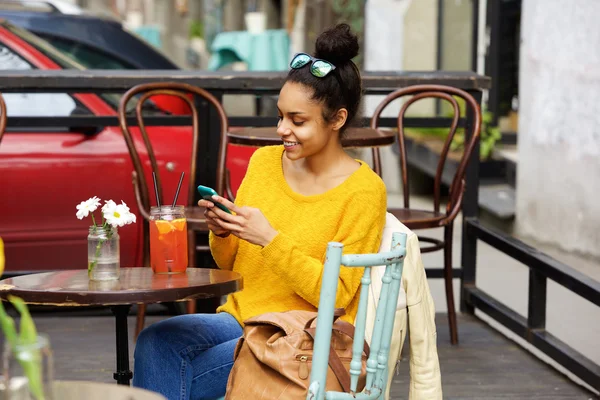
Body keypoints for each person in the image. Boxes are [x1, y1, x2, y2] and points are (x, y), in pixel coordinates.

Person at [132, 23, 387, 400]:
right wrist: (222, 232)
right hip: (240, 318)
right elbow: (233, 262)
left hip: (302, 336)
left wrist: (270, 238)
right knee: (157, 340)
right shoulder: (264, 162)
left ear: (338, 119)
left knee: (177, 368)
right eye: (281, 115)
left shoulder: (364, 191)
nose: (283, 129)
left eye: (298, 121)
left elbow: (338, 297)